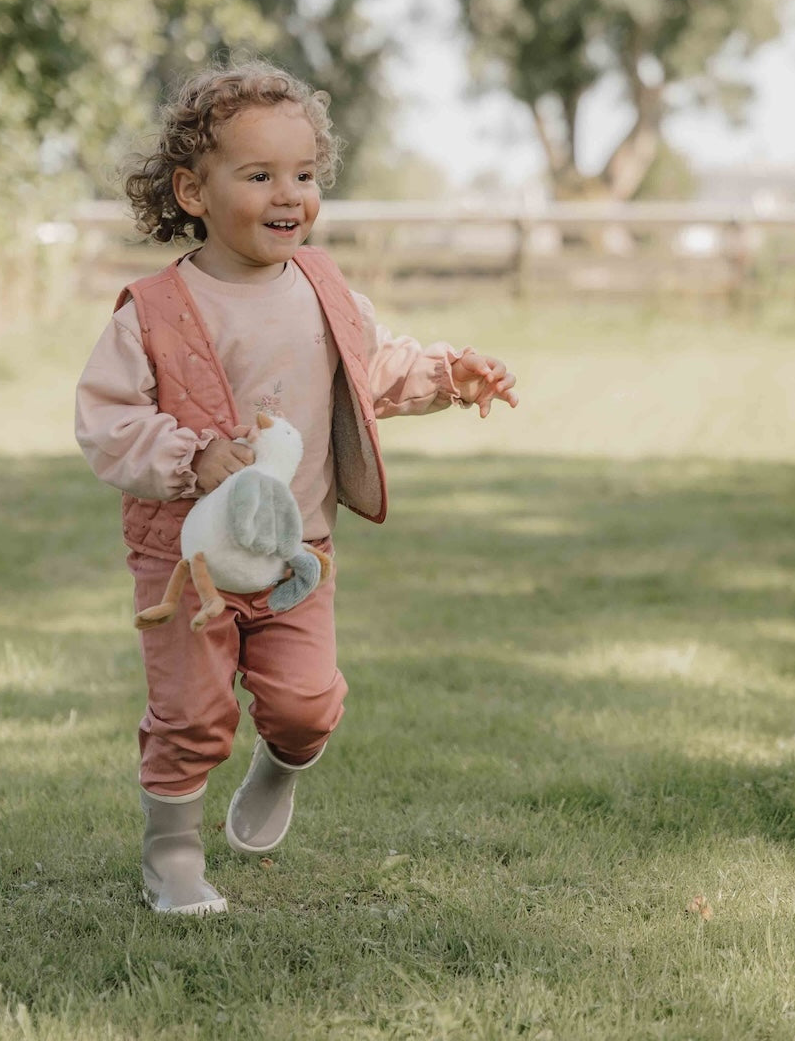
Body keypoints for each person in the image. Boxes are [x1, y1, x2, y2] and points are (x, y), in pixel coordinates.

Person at [75, 59, 518, 916]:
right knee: (193, 714)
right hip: (189, 564)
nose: (291, 194)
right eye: (260, 175)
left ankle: (279, 764)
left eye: (305, 175)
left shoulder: (322, 288)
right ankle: (172, 854)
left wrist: (449, 374)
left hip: (296, 555)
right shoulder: (153, 310)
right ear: (193, 192)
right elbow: (106, 421)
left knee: (308, 704)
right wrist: (190, 456)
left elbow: (374, 367)